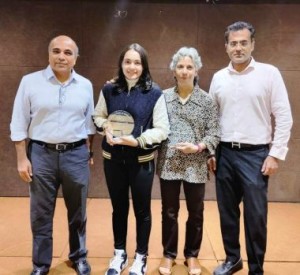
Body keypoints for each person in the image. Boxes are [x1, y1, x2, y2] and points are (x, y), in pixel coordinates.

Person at [209, 21, 293, 275]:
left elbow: (284, 116)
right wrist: (211, 151)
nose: (238, 48)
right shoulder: (218, 78)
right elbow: (211, 118)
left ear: (252, 44)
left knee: (256, 217)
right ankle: (232, 259)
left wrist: (275, 154)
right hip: (224, 153)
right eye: (233, 43)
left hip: (256, 155)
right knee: (227, 213)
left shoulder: (269, 73)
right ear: (226, 47)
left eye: (243, 42)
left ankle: (256, 268)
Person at [10, 35, 95, 275]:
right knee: (41, 213)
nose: (61, 56)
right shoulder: (30, 82)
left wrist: (88, 150)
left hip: (76, 154)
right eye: (56, 51)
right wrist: (21, 158)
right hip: (40, 155)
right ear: (48, 55)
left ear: (75, 59)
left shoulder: (86, 85)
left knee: (78, 211)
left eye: (68, 53)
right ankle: (40, 264)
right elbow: (18, 122)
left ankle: (78, 256)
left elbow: (89, 123)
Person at [93, 43, 170, 275]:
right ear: (121, 64)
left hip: (141, 161)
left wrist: (137, 141)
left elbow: (162, 129)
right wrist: (105, 125)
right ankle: (119, 254)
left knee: (142, 210)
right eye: (128, 61)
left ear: (143, 65)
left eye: (137, 62)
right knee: (118, 208)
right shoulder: (109, 90)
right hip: (113, 160)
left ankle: (140, 257)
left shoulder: (154, 92)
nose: (132, 67)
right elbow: (98, 116)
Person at [156, 47, 220, 275]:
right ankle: (168, 254)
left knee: (196, 212)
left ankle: (192, 255)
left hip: (196, 165)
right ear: (174, 70)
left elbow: (214, 132)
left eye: (189, 67)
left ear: (196, 70)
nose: (184, 71)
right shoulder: (162, 97)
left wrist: (199, 147)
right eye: (180, 66)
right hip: (169, 163)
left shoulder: (206, 101)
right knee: (169, 211)